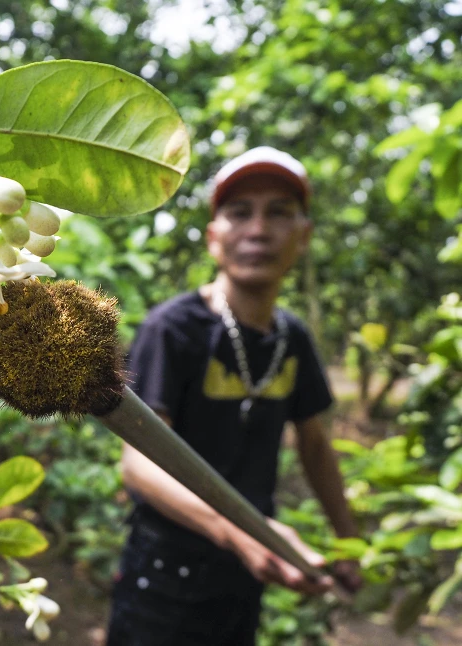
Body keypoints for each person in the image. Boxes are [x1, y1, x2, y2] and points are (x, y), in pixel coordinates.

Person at [106, 147, 362, 646]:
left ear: (303, 236)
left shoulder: (293, 337)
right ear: (214, 237)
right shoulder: (173, 329)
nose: (259, 230)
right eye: (240, 212)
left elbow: (314, 446)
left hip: (245, 578)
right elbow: (138, 465)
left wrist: (350, 543)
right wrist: (239, 532)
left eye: (279, 213)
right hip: (163, 575)